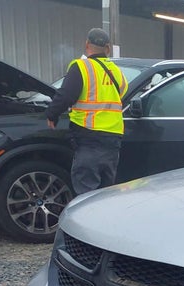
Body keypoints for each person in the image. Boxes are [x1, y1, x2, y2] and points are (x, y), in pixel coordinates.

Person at [46, 28, 128, 195]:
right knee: (106, 190)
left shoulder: (81, 67)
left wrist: (51, 115)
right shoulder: (117, 72)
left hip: (89, 135)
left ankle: (87, 219)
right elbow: (122, 94)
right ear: (108, 48)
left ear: (86, 45)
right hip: (113, 136)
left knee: (86, 189)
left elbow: (66, 95)